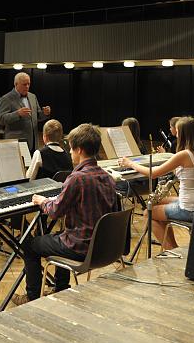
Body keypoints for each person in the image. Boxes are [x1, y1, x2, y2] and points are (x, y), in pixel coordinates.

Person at [13, 123, 117, 305]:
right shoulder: (108, 177)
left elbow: (55, 211)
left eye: (71, 148)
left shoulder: (77, 178)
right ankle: (61, 288)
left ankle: (32, 297)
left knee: (29, 244)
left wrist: (42, 201)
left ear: (79, 150)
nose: (69, 152)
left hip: (80, 248)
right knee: (62, 235)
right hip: (103, 247)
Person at [120, 116, 194, 251]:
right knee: (157, 202)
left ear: (182, 134)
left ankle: (170, 249)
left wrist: (130, 163)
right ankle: (173, 247)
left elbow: (153, 173)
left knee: (148, 213)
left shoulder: (184, 154)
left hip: (188, 209)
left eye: (177, 131)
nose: (176, 134)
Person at [0, 72, 51, 151]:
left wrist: (45, 113)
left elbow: (37, 116)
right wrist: (18, 114)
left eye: (28, 84)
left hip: (33, 142)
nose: (27, 86)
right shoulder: (6, 98)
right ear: (16, 84)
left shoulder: (32, 96)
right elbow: (1, 119)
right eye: (24, 84)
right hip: (16, 143)